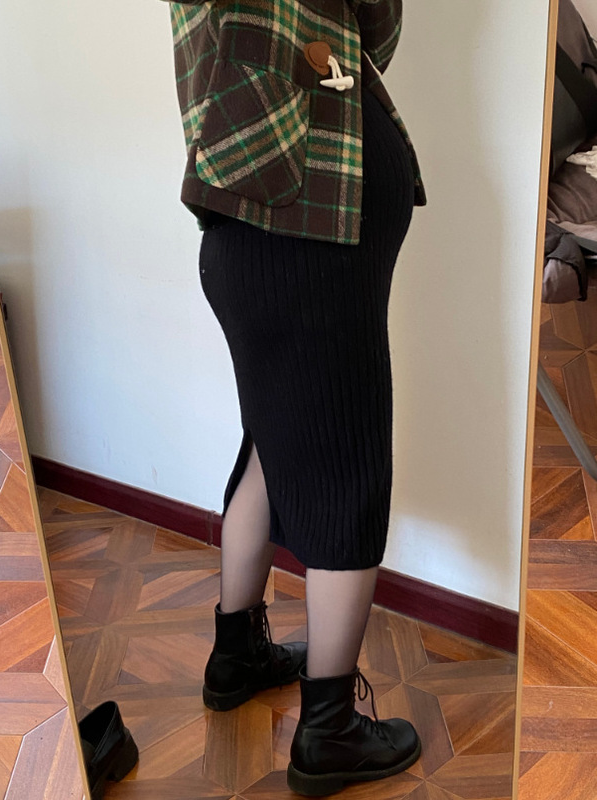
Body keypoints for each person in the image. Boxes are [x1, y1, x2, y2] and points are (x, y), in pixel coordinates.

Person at [164, 0, 427, 794]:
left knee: (270, 446)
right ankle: (329, 732)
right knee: (346, 471)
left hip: (243, 223)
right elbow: (374, 23)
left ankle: (237, 653)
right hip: (312, 225)